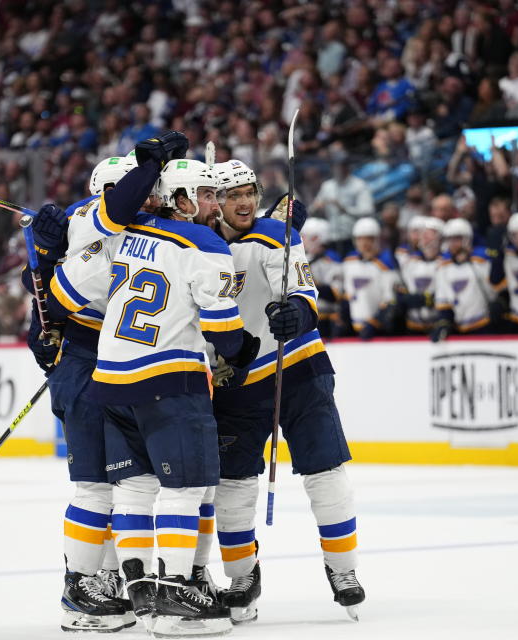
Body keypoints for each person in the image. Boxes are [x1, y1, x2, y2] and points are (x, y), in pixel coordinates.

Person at [49, 156, 258, 637]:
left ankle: (133, 585)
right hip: (169, 379)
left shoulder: (122, 231)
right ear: (180, 199)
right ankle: (174, 594)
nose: (216, 203)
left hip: (111, 383)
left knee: (133, 488)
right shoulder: (202, 241)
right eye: (206, 194)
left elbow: (58, 294)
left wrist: (42, 257)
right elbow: (224, 328)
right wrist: (242, 349)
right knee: (186, 489)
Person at [23, 135, 185, 633]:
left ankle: (108, 576)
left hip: (124, 370)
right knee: (94, 486)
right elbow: (53, 309)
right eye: (139, 189)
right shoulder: (96, 234)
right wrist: (46, 260)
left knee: (126, 485)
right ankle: (79, 587)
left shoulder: (132, 234)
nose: (148, 197)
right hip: (88, 366)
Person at [208, 158, 364, 623]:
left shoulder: (278, 235)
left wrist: (298, 313)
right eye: (232, 195)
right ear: (212, 202)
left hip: (299, 367)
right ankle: (242, 575)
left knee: (326, 472)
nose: (243, 202)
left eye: (248, 193)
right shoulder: (200, 246)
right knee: (232, 487)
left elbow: (304, 290)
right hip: (236, 379)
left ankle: (344, 570)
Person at [432, 218, 507, 341]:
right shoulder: (443, 266)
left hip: (485, 326)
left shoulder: (483, 258)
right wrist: (444, 322)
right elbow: (444, 302)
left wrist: (500, 302)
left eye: (457, 238)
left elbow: (501, 287)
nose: (453, 243)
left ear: (467, 239)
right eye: (450, 239)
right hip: (459, 331)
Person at [342, 217, 401, 340]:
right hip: (355, 328)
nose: (364, 243)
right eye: (360, 238)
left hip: (379, 330)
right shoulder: (349, 262)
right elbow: (348, 294)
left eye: (368, 238)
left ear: (376, 239)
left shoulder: (386, 264)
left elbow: (390, 301)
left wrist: (374, 323)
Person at [310, 155, 375, 255]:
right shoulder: (327, 186)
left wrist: (345, 209)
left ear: (347, 167)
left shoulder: (359, 185)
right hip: (332, 237)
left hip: (352, 236)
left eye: (341, 166)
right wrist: (317, 207)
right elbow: (313, 207)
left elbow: (367, 210)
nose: (338, 169)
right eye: (336, 166)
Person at [397, 216, 444, 334]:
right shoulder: (410, 262)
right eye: (424, 234)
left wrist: (429, 299)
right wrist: (404, 298)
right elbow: (402, 288)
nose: (426, 238)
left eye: (431, 234)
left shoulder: (445, 263)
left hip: (438, 324)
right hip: (413, 326)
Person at [300, 217, 344, 338]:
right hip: (304, 319)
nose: (301, 240)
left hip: (326, 319)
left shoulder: (333, 261)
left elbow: (335, 294)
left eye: (304, 237)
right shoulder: (301, 258)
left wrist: (310, 282)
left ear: (315, 238)